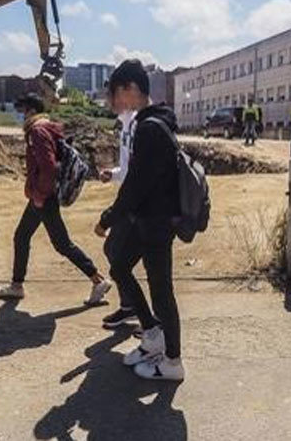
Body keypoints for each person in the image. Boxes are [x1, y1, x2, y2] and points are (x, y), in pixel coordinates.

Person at [95, 59, 184, 381]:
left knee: (161, 289)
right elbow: (136, 181)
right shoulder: (146, 122)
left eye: (116, 94)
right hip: (143, 217)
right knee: (118, 265)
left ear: (132, 90)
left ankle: (173, 362)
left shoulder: (150, 128)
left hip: (156, 221)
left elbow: (136, 185)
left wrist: (107, 217)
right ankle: (152, 336)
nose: (114, 101)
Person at [0, 93, 112, 305]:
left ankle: (97, 279)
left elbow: (48, 167)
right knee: (22, 236)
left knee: (62, 244)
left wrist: (39, 195)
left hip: (44, 196)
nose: (21, 116)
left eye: (23, 111)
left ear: (30, 111)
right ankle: (17, 285)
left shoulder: (37, 131)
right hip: (43, 194)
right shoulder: (48, 128)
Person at [98, 91, 139, 330]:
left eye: (110, 96)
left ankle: (139, 313)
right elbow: (127, 169)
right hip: (131, 202)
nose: (106, 101)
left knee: (116, 254)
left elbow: (138, 173)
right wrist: (112, 174)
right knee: (116, 255)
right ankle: (131, 307)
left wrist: (109, 216)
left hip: (136, 205)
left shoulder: (136, 124)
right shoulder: (125, 124)